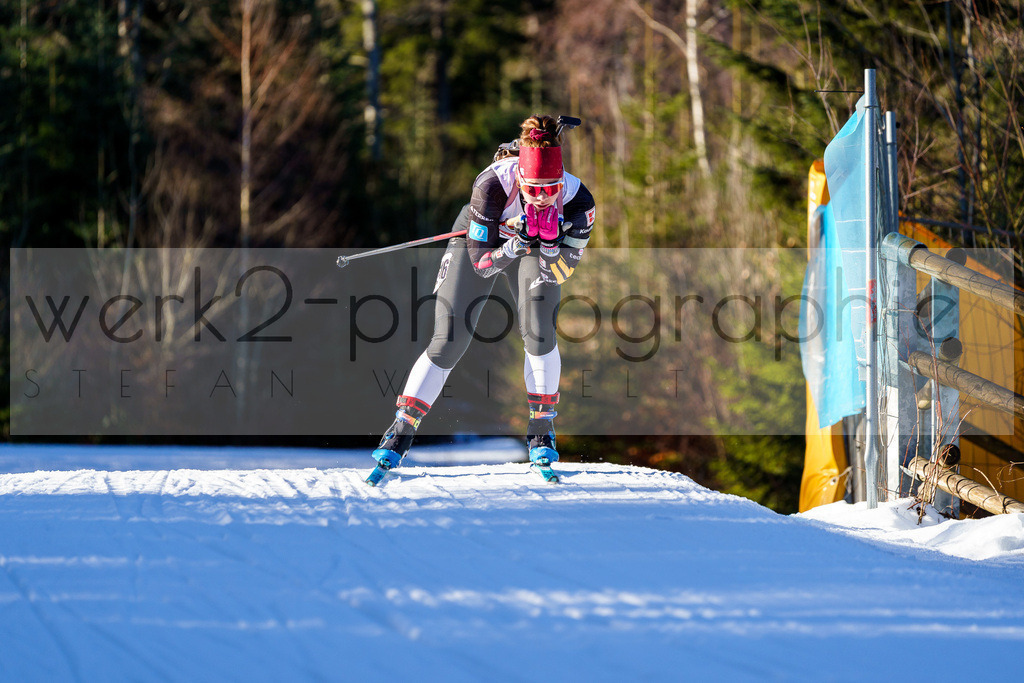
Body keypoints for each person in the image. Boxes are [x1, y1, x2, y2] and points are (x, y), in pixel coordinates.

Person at [370, 114, 596, 474]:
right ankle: (401, 430)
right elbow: (481, 264)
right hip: (487, 243)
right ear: (519, 178)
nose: (541, 198)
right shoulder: (492, 185)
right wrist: (516, 245)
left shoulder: (579, 202)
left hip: (536, 251)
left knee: (539, 328)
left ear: (561, 181)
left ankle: (541, 429)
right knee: (450, 338)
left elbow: (561, 273)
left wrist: (550, 247)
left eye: (549, 189)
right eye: (532, 189)